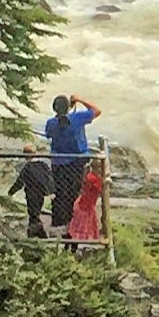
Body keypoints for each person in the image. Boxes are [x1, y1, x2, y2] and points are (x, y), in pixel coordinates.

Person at [44, 92, 97, 232]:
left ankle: (60, 223)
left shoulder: (51, 123)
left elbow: (49, 134)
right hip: (76, 162)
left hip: (58, 164)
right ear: (68, 107)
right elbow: (96, 111)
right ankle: (74, 225)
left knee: (61, 193)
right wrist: (80, 100)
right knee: (75, 194)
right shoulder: (78, 118)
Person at [6, 143, 52, 239]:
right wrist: (50, 191)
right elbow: (48, 178)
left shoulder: (27, 168)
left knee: (33, 214)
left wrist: (11, 192)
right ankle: (36, 233)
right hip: (40, 193)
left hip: (31, 193)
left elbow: (20, 181)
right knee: (36, 212)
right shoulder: (43, 165)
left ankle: (37, 233)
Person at [65, 151, 106, 250]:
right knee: (78, 229)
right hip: (84, 207)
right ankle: (71, 247)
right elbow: (101, 189)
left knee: (77, 227)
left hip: (86, 205)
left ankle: (70, 246)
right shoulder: (93, 178)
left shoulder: (91, 175)